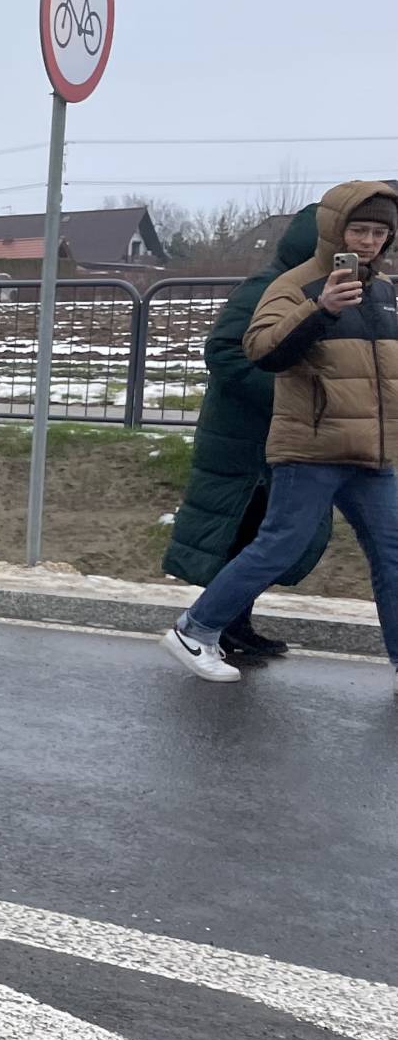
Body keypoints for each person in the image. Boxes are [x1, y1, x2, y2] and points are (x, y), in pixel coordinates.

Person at [164, 180, 398, 689]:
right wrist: (322, 310)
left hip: (372, 452)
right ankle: (195, 629)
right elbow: (261, 350)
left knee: (392, 552)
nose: (369, 241)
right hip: (312, 447)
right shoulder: (292, 285)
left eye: (380, 233)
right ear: (335, 230)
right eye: (359, 229)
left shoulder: (384, 290)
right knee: (278, 546)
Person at [161, 204, 333, 660]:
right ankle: (217, 626)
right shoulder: (266, 287)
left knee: (261, 532)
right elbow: (223, 351)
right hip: (243, 437)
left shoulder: (316, 290)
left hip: (279, 437)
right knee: (243, 531)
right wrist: (285, 397)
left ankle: (234, 623)